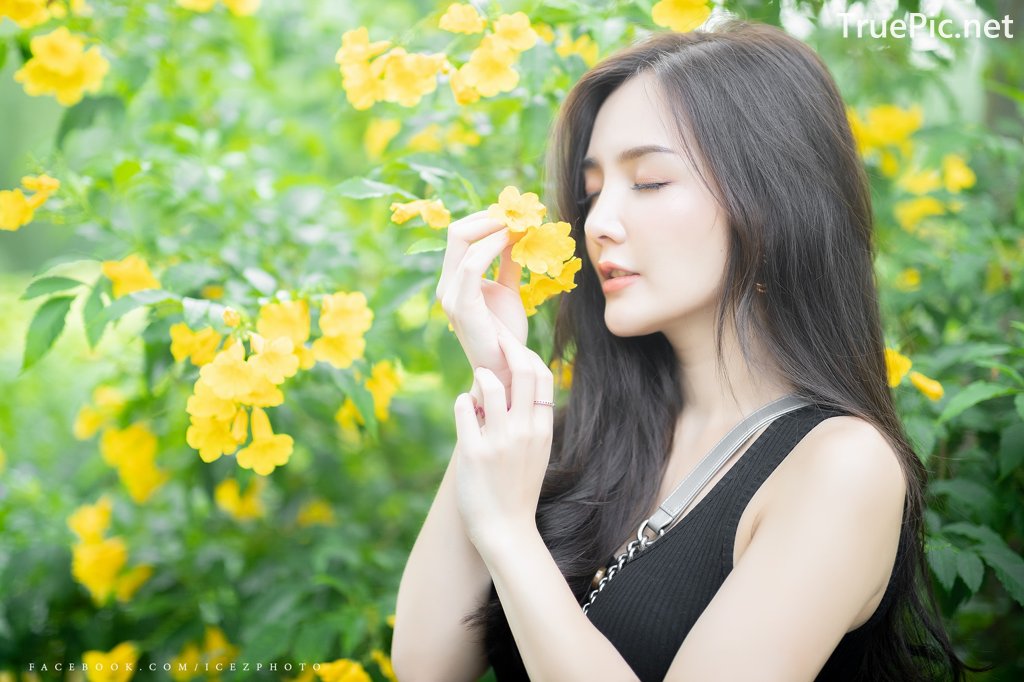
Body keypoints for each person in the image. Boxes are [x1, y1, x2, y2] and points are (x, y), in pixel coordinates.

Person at [392, 17, 982, 682]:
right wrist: (497, 376)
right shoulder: (578, 439)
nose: (598, 224)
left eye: (648, 182)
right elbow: (425, 666)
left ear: (771, 197)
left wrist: (507, 533)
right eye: (591, 194)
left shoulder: (840, 468)